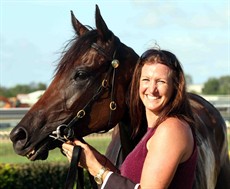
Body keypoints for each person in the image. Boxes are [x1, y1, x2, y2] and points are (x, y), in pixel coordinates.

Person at [62, 48, 198, 189]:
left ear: (175, 87)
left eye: (161, 81)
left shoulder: (171, 129)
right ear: (138, 83)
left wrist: (96, 168)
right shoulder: (155, 130)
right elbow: (129, 183)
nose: (152, 89)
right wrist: (93, 158)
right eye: (146, 80)